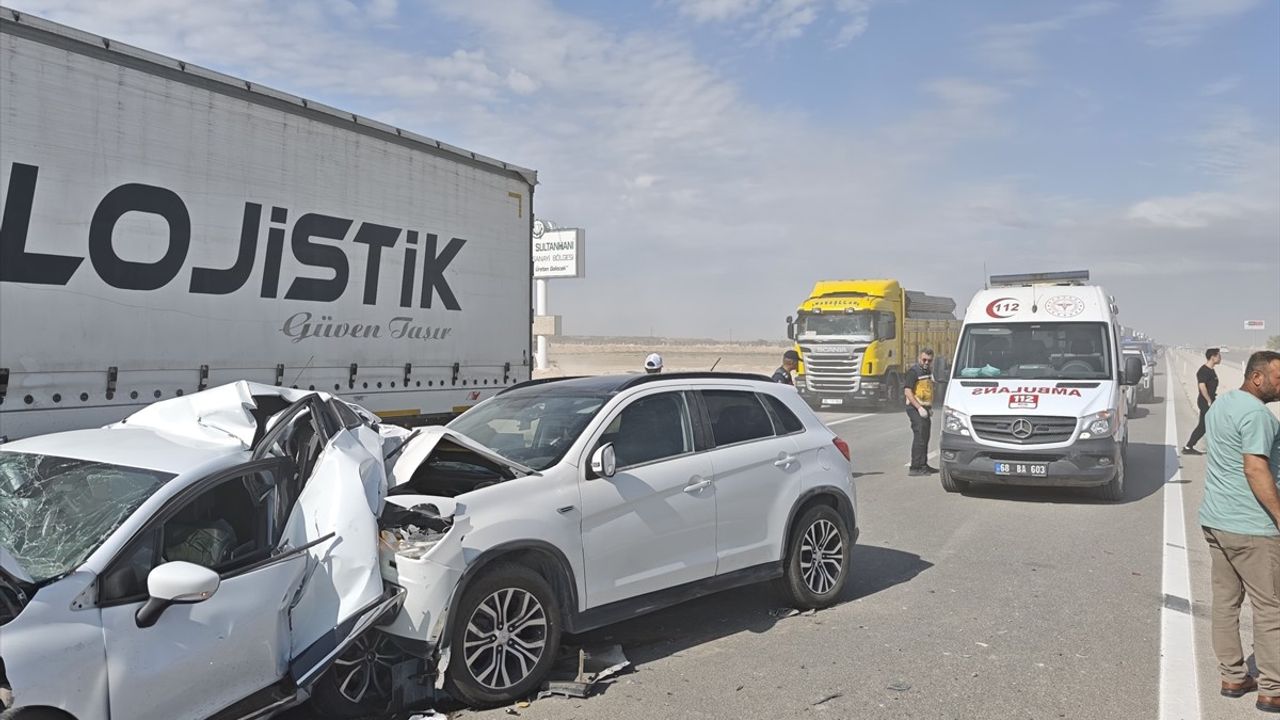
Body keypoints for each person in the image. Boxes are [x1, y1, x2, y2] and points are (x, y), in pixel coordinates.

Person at [1198, 350, 1280, 713]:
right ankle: (1272, 689)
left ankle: (1232, 677)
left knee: (1226, 603)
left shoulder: (1222, 404)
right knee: (1270, 608)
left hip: (1217, 521)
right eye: (1279, 378)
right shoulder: (1257, 414)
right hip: (1253, 527)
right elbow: (1255, 469)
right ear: (1258, 378)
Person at [904, 349, 937, 476]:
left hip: (925, 408)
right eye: (924, 360)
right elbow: (908, 392)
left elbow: (927, 390)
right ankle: (915, 467)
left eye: (929, 360)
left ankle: (923, 465)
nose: (926, 362)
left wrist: (929, 407)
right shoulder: (913, 372)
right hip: (915, 408)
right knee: (919, 437)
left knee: (925, 436)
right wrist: (919, 408)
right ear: (919, 358)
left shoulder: (927, 372)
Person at [1184, 347, 1222, 455]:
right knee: (1205, 426)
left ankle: (1189, 446)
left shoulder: (1211, 370)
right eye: (1219, 356)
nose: (1220, 358)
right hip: (1205, 402)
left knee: (1206, 425)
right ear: (1213, 357)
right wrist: (1209, 400)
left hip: (1210, 401)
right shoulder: (1203, 371)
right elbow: (1202, 386)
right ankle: (1188, 446)